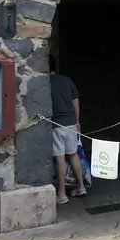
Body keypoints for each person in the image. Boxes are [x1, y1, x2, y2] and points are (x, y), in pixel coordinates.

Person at [49, 56, 86, 205]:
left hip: (56, 124)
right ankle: (81, 187)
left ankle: (62, 194)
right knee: (73, 154)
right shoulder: (67, 81)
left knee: (60, 158)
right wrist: (77, 121)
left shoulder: (45, 84)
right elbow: (75, 102)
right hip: (71, 123)